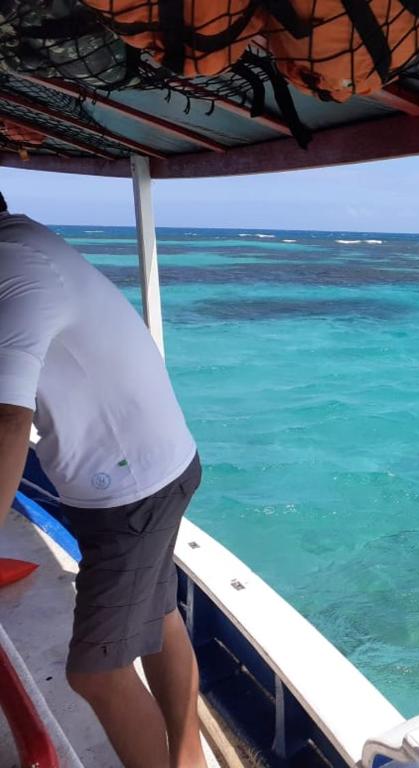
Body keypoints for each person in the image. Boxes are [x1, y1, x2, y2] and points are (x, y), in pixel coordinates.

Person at [0, 193, 207, 768]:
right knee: (160, 613)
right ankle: (187, 758)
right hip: (156, 468)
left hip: (130, 492)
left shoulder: (13, 266)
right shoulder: (27, 246)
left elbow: (8, 420)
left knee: (96, 672)